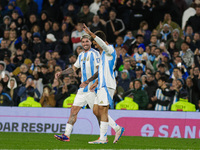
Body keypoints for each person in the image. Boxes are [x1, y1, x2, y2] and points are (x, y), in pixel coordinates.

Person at [54, 34, 122, 143]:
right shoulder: (81, 55)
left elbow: (100, 71)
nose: (85, 43)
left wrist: (89, 82)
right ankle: (66, 135)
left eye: (87, 41)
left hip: (92, 89)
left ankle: (111, 131)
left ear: (91, 42)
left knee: (98, 113)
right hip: (82, 89)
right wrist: (61, 73)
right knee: (73, 111)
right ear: (81, 43)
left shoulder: (95, 54)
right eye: (83, 42)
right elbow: (73, 69)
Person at [81, 24, 124, 144]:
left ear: (101, 41)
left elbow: (103, 44)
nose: (95, 46)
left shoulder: (110, 49)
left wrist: (91, 34)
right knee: (96, 110)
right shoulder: (102, 54)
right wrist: (96, 82)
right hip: (101, 85)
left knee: (103, 111)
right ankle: (117, 128)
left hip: (108, 85)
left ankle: (103, 138)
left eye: (95, 44)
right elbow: (101, 70)